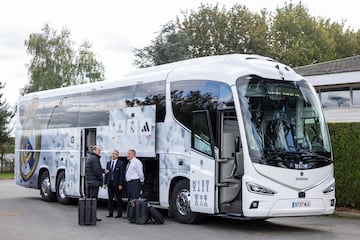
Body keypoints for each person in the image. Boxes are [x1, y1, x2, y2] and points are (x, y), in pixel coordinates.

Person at [85, 145, 109, 221]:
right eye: (99, 150)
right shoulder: (95, 159)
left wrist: (103, 170)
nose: (100, 152)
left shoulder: (90, 158)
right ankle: (92, 217)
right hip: (94, 183)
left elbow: (95, 169)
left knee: (89, 200)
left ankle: (88, 216)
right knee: (93, 200)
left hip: (89, 182)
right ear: (94, 150)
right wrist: (101, 179)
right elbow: (96, 171)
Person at [103, 149, 124, 218]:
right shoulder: (109, 163)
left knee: (118, 198)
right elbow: (106, 173)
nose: (113, 155)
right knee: (110, 198)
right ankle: (110, 213)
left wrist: (121, 184)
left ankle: (119, 213)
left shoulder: (120, 163)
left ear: (117, 155)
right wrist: (105, 183)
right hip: (110, 183)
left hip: (117, 183)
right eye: (112, 154)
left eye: (115, 154)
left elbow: (121, 174)